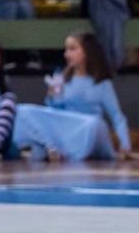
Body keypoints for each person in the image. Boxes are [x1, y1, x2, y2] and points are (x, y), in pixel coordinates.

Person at [11, 30, 132, 162]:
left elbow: (117, 116)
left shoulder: (102, 84)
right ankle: (52, 147)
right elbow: (55, 115)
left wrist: (125, 144)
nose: (66, 54)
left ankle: (64, 150)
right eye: (66, 49)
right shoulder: (62, 78)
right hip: (66, 129)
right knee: (24, 110)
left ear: (87, 52)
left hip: (88, 128)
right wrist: (52, 96)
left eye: (72, 49)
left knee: (95, 123)